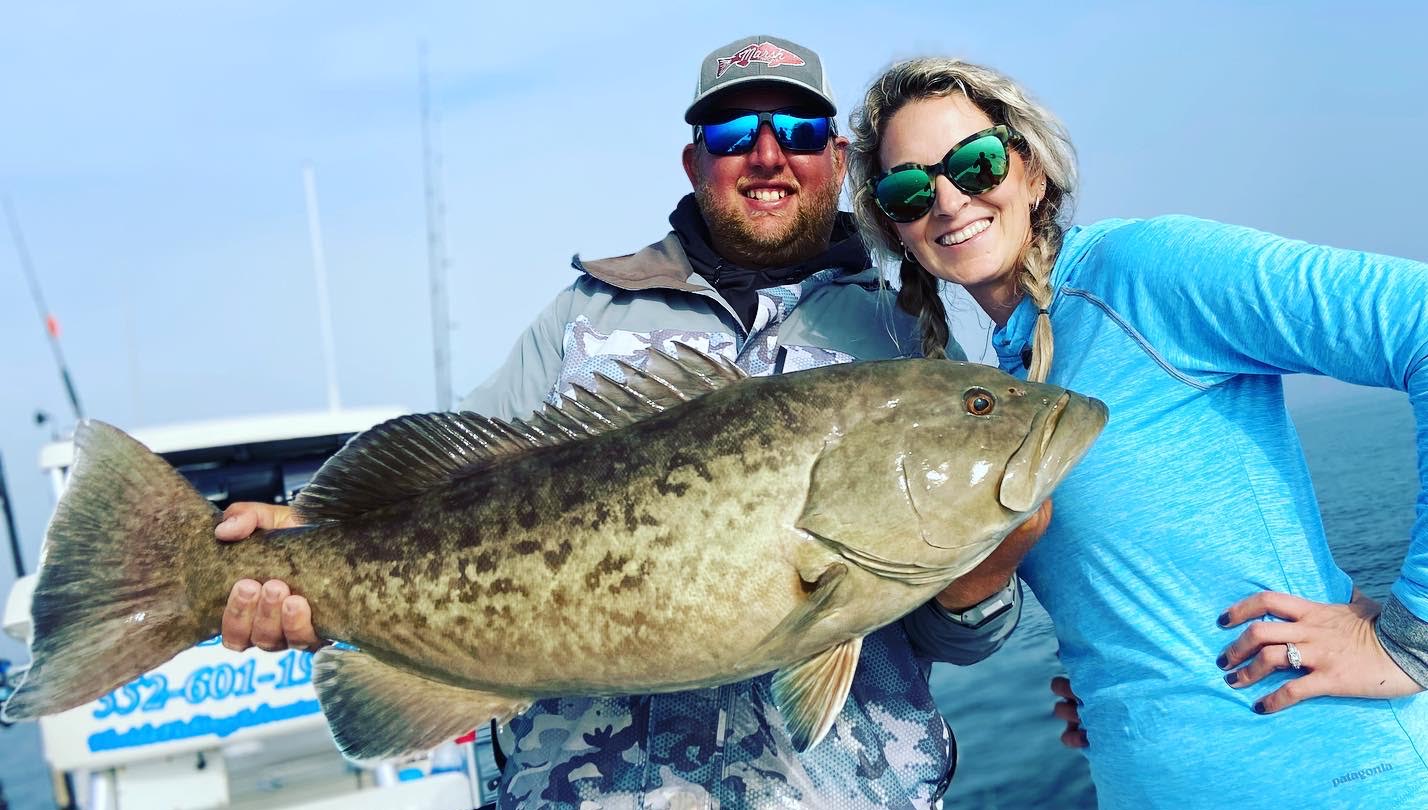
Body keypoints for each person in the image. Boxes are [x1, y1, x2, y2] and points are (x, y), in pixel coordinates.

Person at [216, 36, 1052, 809]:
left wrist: (990, 563)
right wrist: (291, 540)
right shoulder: (582, 315)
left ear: (835, 159)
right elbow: (436, 490)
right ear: (694, 162)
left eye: (799, 130)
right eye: (732, 134)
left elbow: (964, 636)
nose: (768, 155)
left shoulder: (906, 335)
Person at [847, 56, 1428, 808]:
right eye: (910, 190)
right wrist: (1124, 694)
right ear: (896, 229)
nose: (950, 201)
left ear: (1030, 170)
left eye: (976, 163)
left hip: (1335, 779)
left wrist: (1411, 638)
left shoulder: (1142, 272)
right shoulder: (1009, 388)